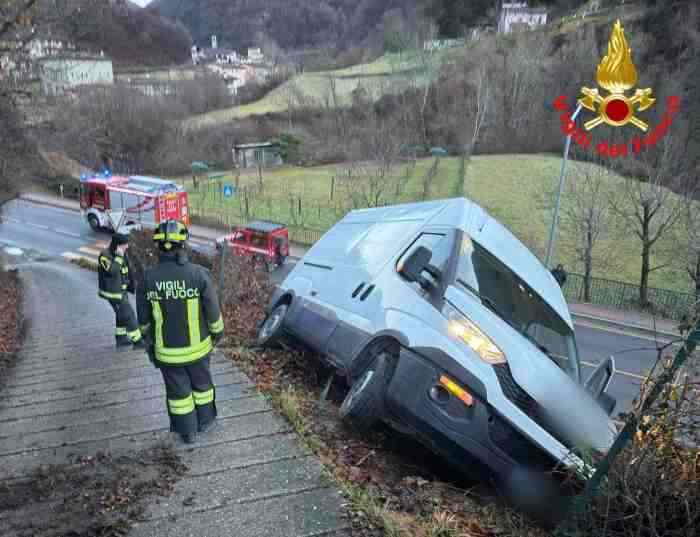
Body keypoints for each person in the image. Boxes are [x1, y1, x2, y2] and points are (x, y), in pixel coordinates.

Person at [137, 220, 225, 444]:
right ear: (183, 244)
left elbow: (143, 321)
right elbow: (213, 312)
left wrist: (150, 345)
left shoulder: (148, 279)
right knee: (202, 387)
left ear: (158, 247)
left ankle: (187, 432)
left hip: (167, 354)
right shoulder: (198, 275)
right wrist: (217, 334)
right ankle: (205, 421)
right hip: (198, 351)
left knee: (179, 395)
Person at [98, 232, 144, 349]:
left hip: (121, 291)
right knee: (128, 315)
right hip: (113, 293)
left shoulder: (121, 253)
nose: (127, 247)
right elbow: (112, 271)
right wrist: (119, 257)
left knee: (121, 314)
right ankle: (138, 341)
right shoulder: (105, 256)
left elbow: (127, 269)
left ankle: (121, 338)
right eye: (124, 245)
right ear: (117, 245)